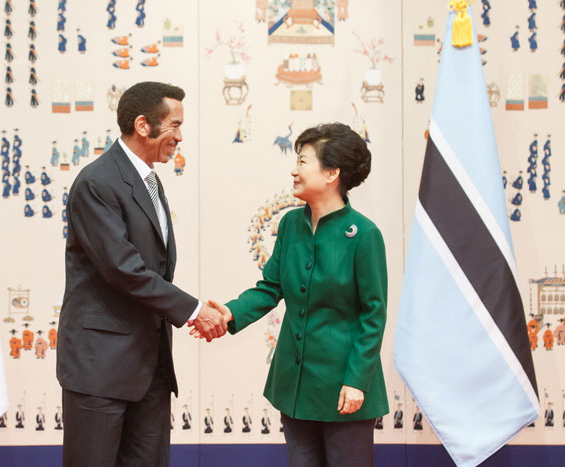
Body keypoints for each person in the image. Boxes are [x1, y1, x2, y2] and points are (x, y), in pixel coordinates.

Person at [57, 81, 227, 467]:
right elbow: (124, 269)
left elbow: (155, 267)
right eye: (175, 125)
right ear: (143, 125)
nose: (180, 137)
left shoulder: (149, 180)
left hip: (149, 370)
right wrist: (193, 310)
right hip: (99, 369)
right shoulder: (97, 183)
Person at [202, 123, 389, 466]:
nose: (294, 170)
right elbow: (270, 287)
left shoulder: (364, 234)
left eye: (303, 162)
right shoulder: (289, 225)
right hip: (296, 386)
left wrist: (357, 380)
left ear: (332, 172)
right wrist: (229, 313)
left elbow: (373, 314)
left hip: (344, 388)